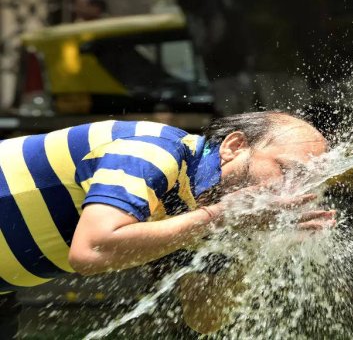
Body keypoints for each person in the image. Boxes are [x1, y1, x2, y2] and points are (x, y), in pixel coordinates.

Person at [0, 111, 335, 335]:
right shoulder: (153, 152)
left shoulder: (214, 209)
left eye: (305, 183)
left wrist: (257, 244)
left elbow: (204, 318)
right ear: (234, 146)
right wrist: (217, 217)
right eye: (288, 171)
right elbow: (89, 252)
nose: (291, 189)